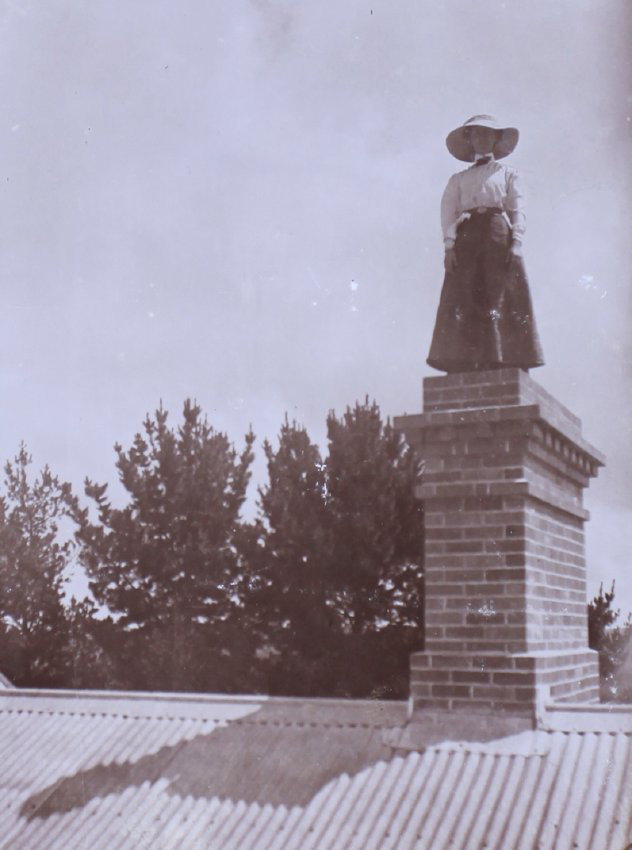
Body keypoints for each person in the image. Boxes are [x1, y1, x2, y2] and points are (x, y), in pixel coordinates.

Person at [427, 114, 544, 373]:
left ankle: (506, 359)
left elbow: (517, 208)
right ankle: (462, 361)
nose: (482, 138)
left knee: (500, 294)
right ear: (469, 140)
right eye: (476, 134)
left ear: (496, 139)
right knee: (464, 295)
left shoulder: (508, 174)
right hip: (467, 239)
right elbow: (448, 212)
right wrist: (449, 246)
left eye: (487, 133)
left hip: (497, 235)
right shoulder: (458, 179)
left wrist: (516, 242)